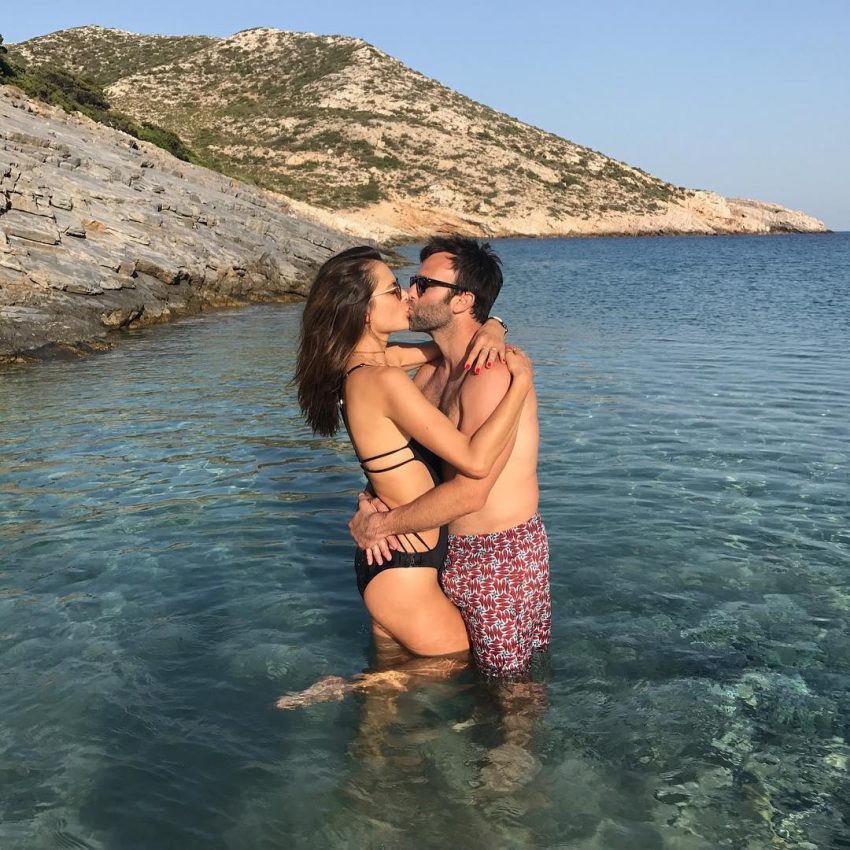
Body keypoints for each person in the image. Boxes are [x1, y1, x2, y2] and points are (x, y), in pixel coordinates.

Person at [291, 245, 532, 660]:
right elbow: (475, 461)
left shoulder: (365, 365)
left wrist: (495, 325)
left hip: (394, 564)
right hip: (405, 565)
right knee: (456, 670)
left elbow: (442, 347)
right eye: (394, 290)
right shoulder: (384, 379)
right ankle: (341, 687)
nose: (406, 294)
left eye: (416, 285)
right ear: (364, 312)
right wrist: (522, 385)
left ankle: (362, 690)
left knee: (392, 684)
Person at [348, 235, 550, 679]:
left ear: (462, 300)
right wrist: (368, 503)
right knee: (445, 673)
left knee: (509, 687)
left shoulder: (492, 375)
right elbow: (400, 456)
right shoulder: (431, 371)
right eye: (410, 282)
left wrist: (382, 525)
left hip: (497, 556)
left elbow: (472, 493)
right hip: (442, 548)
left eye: (423, 284)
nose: (409, 293)